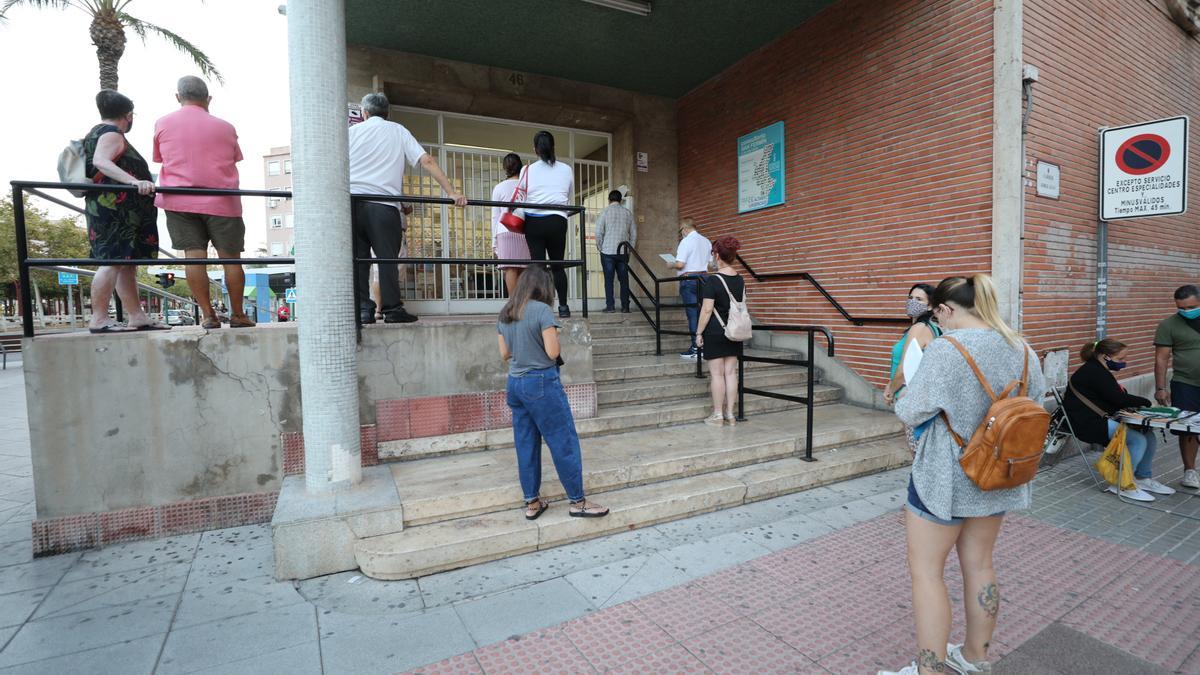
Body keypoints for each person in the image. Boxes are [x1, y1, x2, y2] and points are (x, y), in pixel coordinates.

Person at [883, 275, 1047, 675]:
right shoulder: (1022, 347)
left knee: (926, 573)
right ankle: (975, 658)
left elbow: (910, 411)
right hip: (998, 472)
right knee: (980, 565)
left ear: (946, 310)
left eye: (939, 314)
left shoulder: (946, 348)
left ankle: (930, 669)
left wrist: (902, 390)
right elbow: (1037, 405)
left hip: (946, 475)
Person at [497, 267, 608, 519]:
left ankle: (532, 502)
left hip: (515, 382)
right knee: (562, 440)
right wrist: (552, 335)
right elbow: (552, 352)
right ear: (544, 287)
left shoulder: (506, 312)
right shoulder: (542, 310)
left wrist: (524, 349)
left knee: (525, 442)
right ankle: (578, 501)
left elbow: (504, 354)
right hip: (541, 383)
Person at [349, 92, 466, 324]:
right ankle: (392, 310)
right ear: (387, 113)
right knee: (387, 260)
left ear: (364, 113)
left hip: (352, 203)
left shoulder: (350, 133)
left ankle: (363, 310)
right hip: (383, 205)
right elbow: (426, 161)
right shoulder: (398, 130)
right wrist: (451, 192)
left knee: (359, 260)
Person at [153, 75, 253, 329]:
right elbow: (234, 158)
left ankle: (209, 315)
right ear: (208, 98)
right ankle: (238, 315)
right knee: (231, 259)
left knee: (193, 257)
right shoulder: (226, 127)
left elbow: (159, 158)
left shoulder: (162, 123)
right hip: (223, 200)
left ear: (178, 97)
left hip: (179, 200)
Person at [82, 90, 168, 333]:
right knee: (111, 262)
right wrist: (133, 181)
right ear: (128, 115)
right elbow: (101, 161)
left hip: (113, 209)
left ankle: (136, 316)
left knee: (124, 264)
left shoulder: (96, 133)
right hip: (115, 210)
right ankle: (99, 319)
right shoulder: (111, 134)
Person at [1063, 338, 1174, 502]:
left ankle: (1143, 478)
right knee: (1137, 440)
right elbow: (1119, 399)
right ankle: (1122, 484)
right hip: (1087, 423)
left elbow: (1114, 398)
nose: (1123, 363)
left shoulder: (1098, 369)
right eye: (1120, 359)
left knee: (1148, 434)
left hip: (1098, 418)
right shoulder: (1094, 372)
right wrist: (1146, 402)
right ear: (1105, 356)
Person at [522, 131, 575, 317]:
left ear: (535, 149)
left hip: (534, 220)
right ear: (553, 147)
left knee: (538, 266)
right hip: (557, 220)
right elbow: (568, 196)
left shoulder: (527, 170)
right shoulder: (567, 169)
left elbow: (522, 196)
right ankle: (563, 307)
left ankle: (540, 308)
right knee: (558, 265)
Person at [695, 236, 745, 426]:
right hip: (735, 330)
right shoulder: (740, 280)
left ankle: (717, 415)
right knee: (731, 373)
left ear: (717, 255)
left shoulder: (713, 280)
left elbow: (707, 310)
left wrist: (699, 333)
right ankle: (730, 415)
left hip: (715, 331)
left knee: (717, 374)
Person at [1154, 284, 1200, 489]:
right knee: (1187, 428)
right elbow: (1161, 359)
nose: (1186, 312)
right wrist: (1160, 387)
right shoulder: (1168, 325)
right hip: (1185, 383)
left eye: (1191, 307)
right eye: (1181, 308)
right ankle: (1189, 471)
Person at [884, 284, 941, 406]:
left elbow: (904, 369)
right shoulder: (926, 327)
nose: (912, 302)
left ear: (930, 306)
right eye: (910, 298)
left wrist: (891, 390)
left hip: (909, 395)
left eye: (919, 299)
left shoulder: (919, 328)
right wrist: (891, 382)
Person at [671, 218, 712, 359]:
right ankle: (705, 346)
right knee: (704, 312)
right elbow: (711, 264)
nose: (681, 233)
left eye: (681, 230)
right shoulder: (706, 241)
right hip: (704, 279)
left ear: (685, 229)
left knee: (692, 313)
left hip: (689, 280)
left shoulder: (686, 241)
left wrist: (671, 264)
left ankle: (695, 348)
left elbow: (680, 264)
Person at [490, 152, 529, 296]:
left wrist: (494, 242)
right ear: (521, 166)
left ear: (505, 168)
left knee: (510, 269)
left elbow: (495, 216)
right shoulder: (526, 187)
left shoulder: (499, 187)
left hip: (504, 230)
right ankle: (524, 304)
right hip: (524, 229)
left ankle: (513, 305)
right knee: (525, 268)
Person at [594, 189, 636, 313]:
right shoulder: (627, 213)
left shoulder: (605, 212)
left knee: (608, 280)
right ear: (620, 200)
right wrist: (630, 248)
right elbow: (633, 233)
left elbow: (598, 232)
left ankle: (610, 306)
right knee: (624, 280)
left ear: (609, 200)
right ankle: (625, 306)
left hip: (607, 251)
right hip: (623, 252)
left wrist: (600, 247)